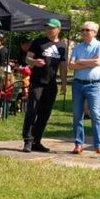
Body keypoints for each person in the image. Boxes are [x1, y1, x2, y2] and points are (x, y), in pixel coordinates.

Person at [22, 18, 67, 153]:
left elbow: (63, 65)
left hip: (51, 83)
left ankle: (37, 141)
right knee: (32, 110)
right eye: (47, 27)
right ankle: (28, 141)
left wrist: (64, 83)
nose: (49, 30)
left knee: (45, 113)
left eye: (52, 28)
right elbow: (27, 58)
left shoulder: (62, 46)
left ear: (58, 29)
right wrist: (34, 61)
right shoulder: (39, 42)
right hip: (37, 82)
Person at [68, 21, 100, 154]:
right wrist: (88, 63)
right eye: (83, 30)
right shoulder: (78, 47)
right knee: (77, 115)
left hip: (93, 84)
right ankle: (78, 144)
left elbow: (97, 62)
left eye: (87, 30)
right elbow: (71, 65)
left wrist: (80, 61)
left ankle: (99, 145)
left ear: (94, 32)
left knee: (95, 115)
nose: (84, 32)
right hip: (78, 84)